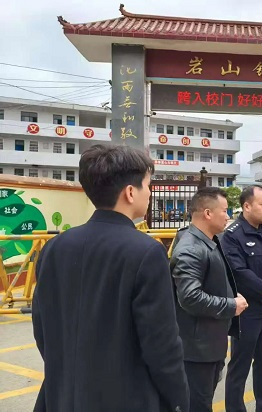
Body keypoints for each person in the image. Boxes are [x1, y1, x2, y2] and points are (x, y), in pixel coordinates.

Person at [31, 144, 189, 412]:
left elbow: (42, 329)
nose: (150, 193)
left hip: (62, 396)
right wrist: (179, 399)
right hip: (127, 399)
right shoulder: (147, 252)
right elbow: (161, 345)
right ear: (130, 192)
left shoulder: (54, 248)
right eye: (148, 185)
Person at [171, 187, 249, 411]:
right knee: (198, 404)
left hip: (209, 343)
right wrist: (231, 305)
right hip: (197, 350)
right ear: (207, 213)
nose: (228, 216)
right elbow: (190, 297)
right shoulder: (190, 249)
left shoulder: (209, 240)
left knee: (203, 400)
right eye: (224, 211)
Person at [221, 185, 262, 412]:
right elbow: (239, 272)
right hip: (246, 311)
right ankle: (234, 407)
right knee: (240, 364)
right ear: (247, 206)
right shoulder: (232, 236)